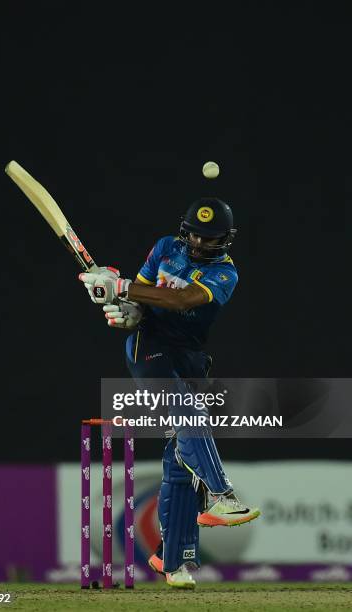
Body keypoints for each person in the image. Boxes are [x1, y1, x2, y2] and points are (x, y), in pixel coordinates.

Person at [79, 197, 260, 589]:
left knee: (181, 455)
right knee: (189, 416)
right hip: (149, 347)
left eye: (208, 238)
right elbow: (141, 294)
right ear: (184, 228)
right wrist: (125, 309)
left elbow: (181, 299)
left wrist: (122, 286)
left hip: (190, 358)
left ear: (225, 240)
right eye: (194, 233)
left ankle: (171, 557)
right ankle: (220, 495)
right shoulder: (165, 247)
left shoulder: (226, 274)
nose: (197, 242)